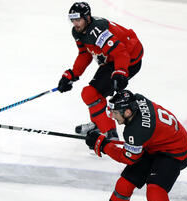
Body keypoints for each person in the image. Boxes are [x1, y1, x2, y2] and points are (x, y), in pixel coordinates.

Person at [85, 90, 187, 201]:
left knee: (155, 192)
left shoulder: (137, 130)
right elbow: (138, 139)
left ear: (128, 112)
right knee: (124, 184)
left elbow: (127, 158)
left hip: (173, 153)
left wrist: (103, 145)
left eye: (115, 113)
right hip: (154, 145)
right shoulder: (137, 101)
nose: (112, 116)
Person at [58, 2, 143, 139]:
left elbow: (121, 53)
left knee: (91, 93)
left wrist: (120, 72)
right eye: (72, 20)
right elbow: (84, 54)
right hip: (113, 58)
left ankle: (109, 133)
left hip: (129, 60)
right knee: (91, 93)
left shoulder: (97, 31)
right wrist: (72, 74)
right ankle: (99, 123)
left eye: (78, 20)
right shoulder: (78, 31)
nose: (75, 24)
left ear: (87, 18)